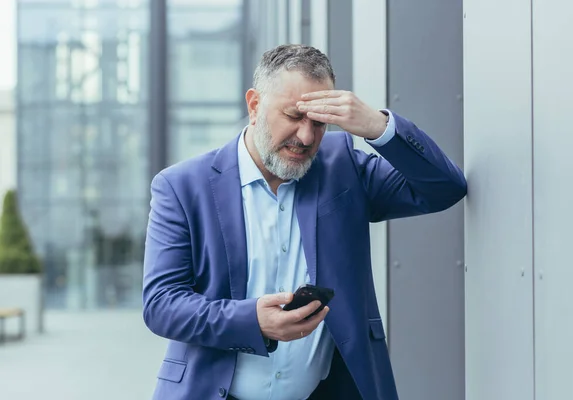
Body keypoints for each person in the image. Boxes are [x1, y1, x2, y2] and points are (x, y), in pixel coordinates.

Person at [142, 44, 467, 400]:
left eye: (319, 122)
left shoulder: (343, 167)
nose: (307, 137)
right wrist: (252, 321)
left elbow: (442, 189)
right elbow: (162, 304)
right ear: (254, 106)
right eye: (294, 116)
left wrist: (378, 126)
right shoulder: (182, 186)